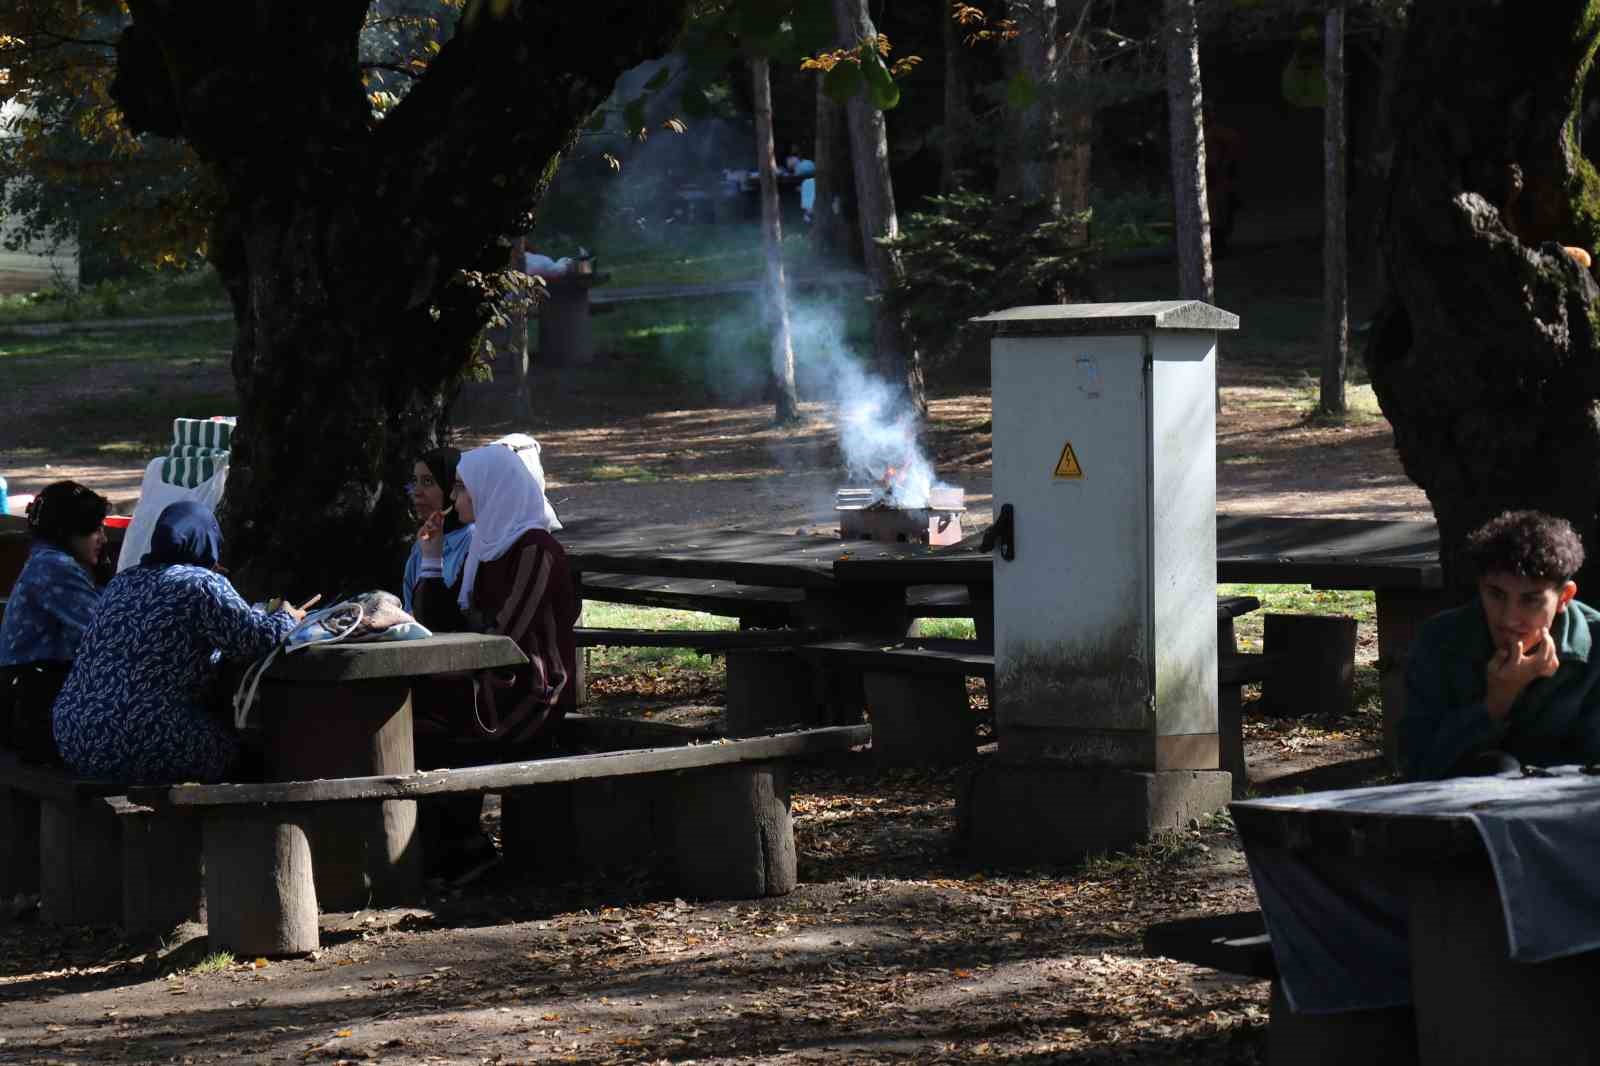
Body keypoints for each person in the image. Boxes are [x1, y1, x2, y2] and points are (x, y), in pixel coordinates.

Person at [410, 441, 579, 875]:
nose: (453, 498)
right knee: (412, 715)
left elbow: (507, 638)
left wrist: (464, 647)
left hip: (531, 691)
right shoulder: (487, 545)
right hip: (489, 679)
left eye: (462, 489)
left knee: (432, 720)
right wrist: (430, 561)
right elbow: (445, 622)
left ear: (493, 490)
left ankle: (464, 848)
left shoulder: (535, 549)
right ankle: (453, 846)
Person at [51, 501, 304, 784]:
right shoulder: (202, 583)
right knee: (254, 759)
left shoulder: (122, 582)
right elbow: (255, 642)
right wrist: (287, 617)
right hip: (143, 737)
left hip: (75, 737)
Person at [1399, 509, 1600, 780]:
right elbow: (1417, 766)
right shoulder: (1440, 641)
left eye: (1530, 600)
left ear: (1564, 597)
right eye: (1496, 595)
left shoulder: (1596, 646)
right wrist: (1495, 703)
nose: (1508, 618)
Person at [0, 481, 110, 763]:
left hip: (32, 699)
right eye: (94, 529)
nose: (103, 538)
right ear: (67, 531)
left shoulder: (49, 560)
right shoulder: (54, 568)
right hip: (31, 706)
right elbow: (106, 632)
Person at [400, 447, 474, 614]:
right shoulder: (423, 543)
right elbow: (410, 610)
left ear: (450, 485)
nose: (416, 492)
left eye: (427, 482)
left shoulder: (475, 543)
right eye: (415, 481)